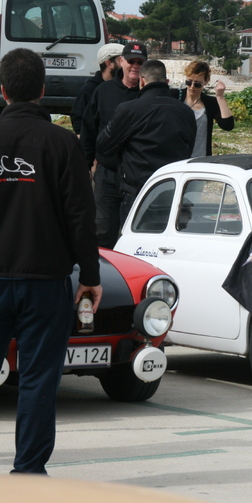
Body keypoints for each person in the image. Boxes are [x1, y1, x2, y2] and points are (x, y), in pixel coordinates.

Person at [0, 48, 102, 475]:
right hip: (45, 279)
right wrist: (91, 275)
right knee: (39, 378)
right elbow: (81, 214)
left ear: (2, 91)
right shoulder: (63, 143)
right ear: (42, 90)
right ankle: (28, 470)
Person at [96, 59, 196, 223]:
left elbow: (103, 146)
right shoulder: (185, 112)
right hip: (172, 189)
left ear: (142, 80)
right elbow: (189, 147)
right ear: (166, 82)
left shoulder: (129, 109)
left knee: (134, 244)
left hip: (137, 190)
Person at [81, 41, 146, 248]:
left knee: (135, 233)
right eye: (131, 61)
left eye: (140, 62)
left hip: (138, 176)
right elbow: (89, 130)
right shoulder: (103, 91)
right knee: (103, 230)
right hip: (107, 174)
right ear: (121, 61)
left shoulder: (148, 95)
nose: (135, 66)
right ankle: (100, 277)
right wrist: (85, 166)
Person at [174, 60, 234, 157]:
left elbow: (228, 125)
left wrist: (220, 97)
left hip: (200, 159)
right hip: (175, 159)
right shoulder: (175, 96)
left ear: (206, 81)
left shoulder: (210, 103)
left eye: (197, 84)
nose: (192, 87)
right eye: (189, 82)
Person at [70, 43, 124, 136]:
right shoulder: (89, 90)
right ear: (109, 63)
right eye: (121, 60)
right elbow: (78, 118)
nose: (126, 65)